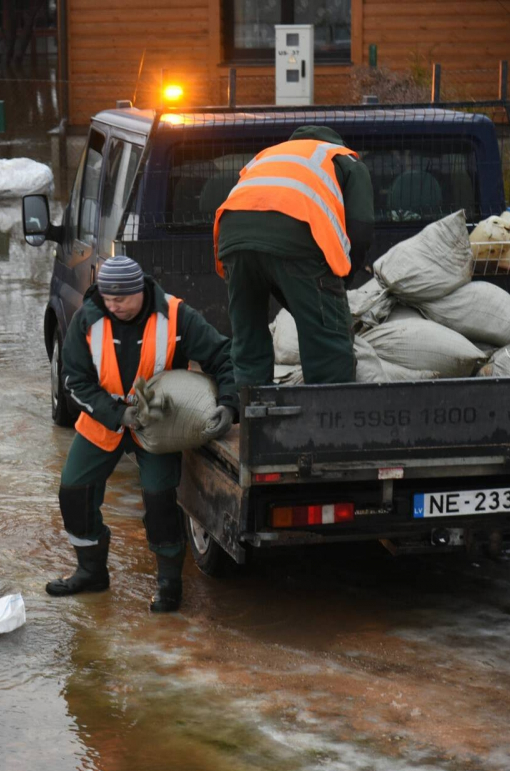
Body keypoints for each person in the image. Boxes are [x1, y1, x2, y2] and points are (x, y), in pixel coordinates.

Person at [47, 256, 236, 612]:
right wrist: (118, 414)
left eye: (120, 299)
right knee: (74, 490)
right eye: (107, 297)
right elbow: (73, 378)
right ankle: (90, 571)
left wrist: (229, 404)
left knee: (160, 498)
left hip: (159, 425)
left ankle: (168, 583)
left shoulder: (177, 316)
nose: (113, 305)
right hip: (106, 420)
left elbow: (223, 356)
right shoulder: (89, 317)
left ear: (140, 291)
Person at [214, 125, 374, 388]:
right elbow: (361, 228)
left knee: (248, 339)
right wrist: (339, 280)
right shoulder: (343, 158)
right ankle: (327, 418)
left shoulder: (267, 155)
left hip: (232, 237)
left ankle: (253, 415)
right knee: (327, 342)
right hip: (297, 233)